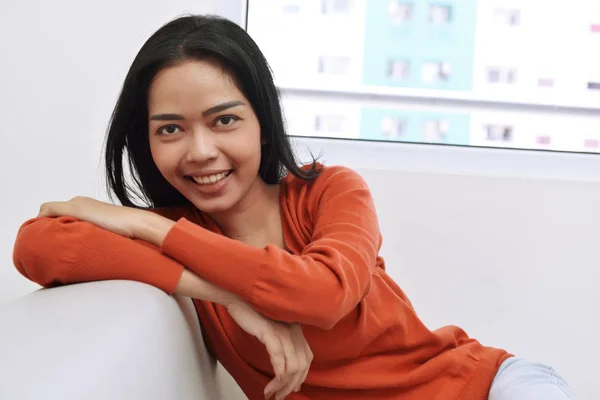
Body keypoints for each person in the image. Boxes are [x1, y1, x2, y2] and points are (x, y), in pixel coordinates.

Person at [12, 15, 575, 400]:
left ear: (262, 121)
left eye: (224, 119)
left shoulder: (330, 191)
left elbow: (321, 293)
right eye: (171, 129)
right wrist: (224, 293)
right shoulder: (181, 234)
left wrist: (137, 221)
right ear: (146, 139)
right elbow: (37, 247)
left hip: (483, 387)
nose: (201, 150)